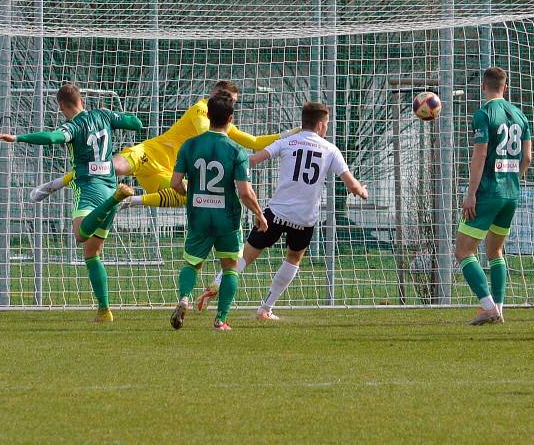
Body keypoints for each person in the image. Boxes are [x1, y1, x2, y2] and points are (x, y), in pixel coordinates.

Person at [196, 101, 368, 319]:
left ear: (303, 122)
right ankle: (266, 308)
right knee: (293, 258)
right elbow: (352, 185)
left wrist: (226, 166)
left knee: (246, 255)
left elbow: (253, 160)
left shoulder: (287, 141)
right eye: (327, 124)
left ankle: (217, 284)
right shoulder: (330, 150)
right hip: (304, 219)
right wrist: (362, 191)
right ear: (321, 125)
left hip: (275, 214)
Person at [0, 83, 142, 322]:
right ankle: (104, 310)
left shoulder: (73, 125)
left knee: (80, 235)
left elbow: (53, 137)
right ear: (81, 100)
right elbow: (136, 123)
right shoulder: (103, 114)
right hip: (109, 182)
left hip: (91, 187)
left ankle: (118, 197)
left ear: (62, 106)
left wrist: (18, 137)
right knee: (92, 252)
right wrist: (118, 118)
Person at [29, 80, 298, 208]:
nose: (228, 103)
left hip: (166, 172)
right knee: (105, 167)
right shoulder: (200, 109)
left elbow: (254, 141)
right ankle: (57, 183)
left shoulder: (223, 124)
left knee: (187, 197)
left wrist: (296, 131)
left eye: (232, 101)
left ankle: (131, 201)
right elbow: (207, 135)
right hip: (149, 153)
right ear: (214, 94)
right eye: (225, 97)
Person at [168, 91, 268, 331]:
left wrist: (189, 193)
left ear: (208, 115)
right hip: (227, 218)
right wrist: (259, 214)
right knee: (230, 267)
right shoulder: (236, 150)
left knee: (192, 264)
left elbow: (174, 183)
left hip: (198, 215)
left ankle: (184, 298)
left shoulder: (189, 145)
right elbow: (244, 192)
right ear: (231, 118)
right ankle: (220, 320)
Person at [454, 66, 533, 325]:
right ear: (505, 87)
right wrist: (511, 180)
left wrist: (471, 194)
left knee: (464, 251)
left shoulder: (483, 114)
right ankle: (499, 308)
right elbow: (528, 157)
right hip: (511, 193)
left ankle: (488, 307)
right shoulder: (520, 115)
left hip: (488, 191)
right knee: (496, 251)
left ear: (483, 86)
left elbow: (480, 155)